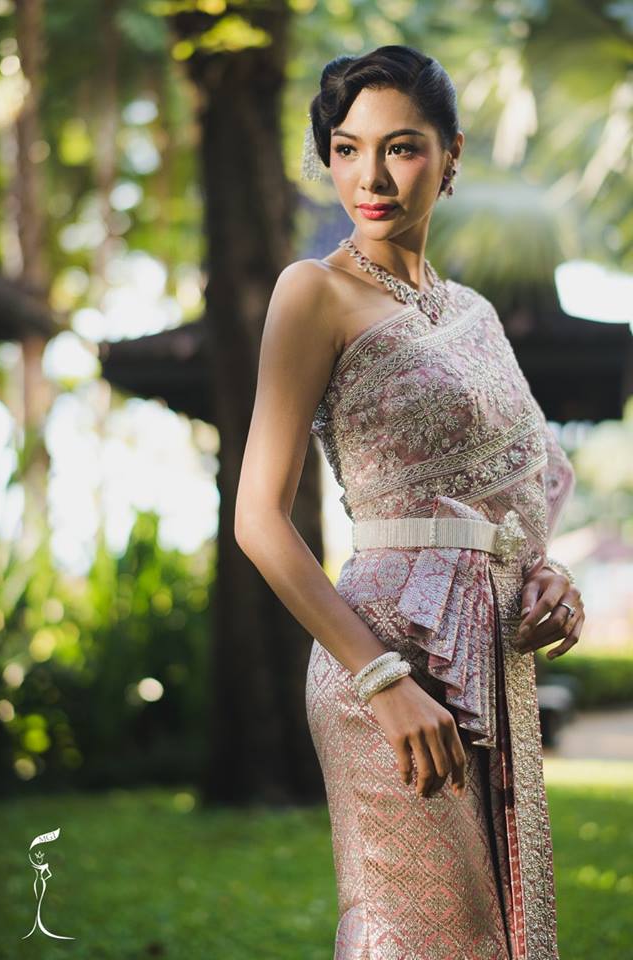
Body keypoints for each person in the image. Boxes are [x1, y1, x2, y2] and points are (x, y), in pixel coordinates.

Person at [234, 44, 584, 960]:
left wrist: (549, 576)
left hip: (494, 657)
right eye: (347, 150)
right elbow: (259, 518)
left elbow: (522, 486)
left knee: (493, 936)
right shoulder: (313, 292)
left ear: (451, 153)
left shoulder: (474, 314)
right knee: (421, 930)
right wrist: (380, 679)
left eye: (402, 147)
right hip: (383, 653)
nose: (372, 177)